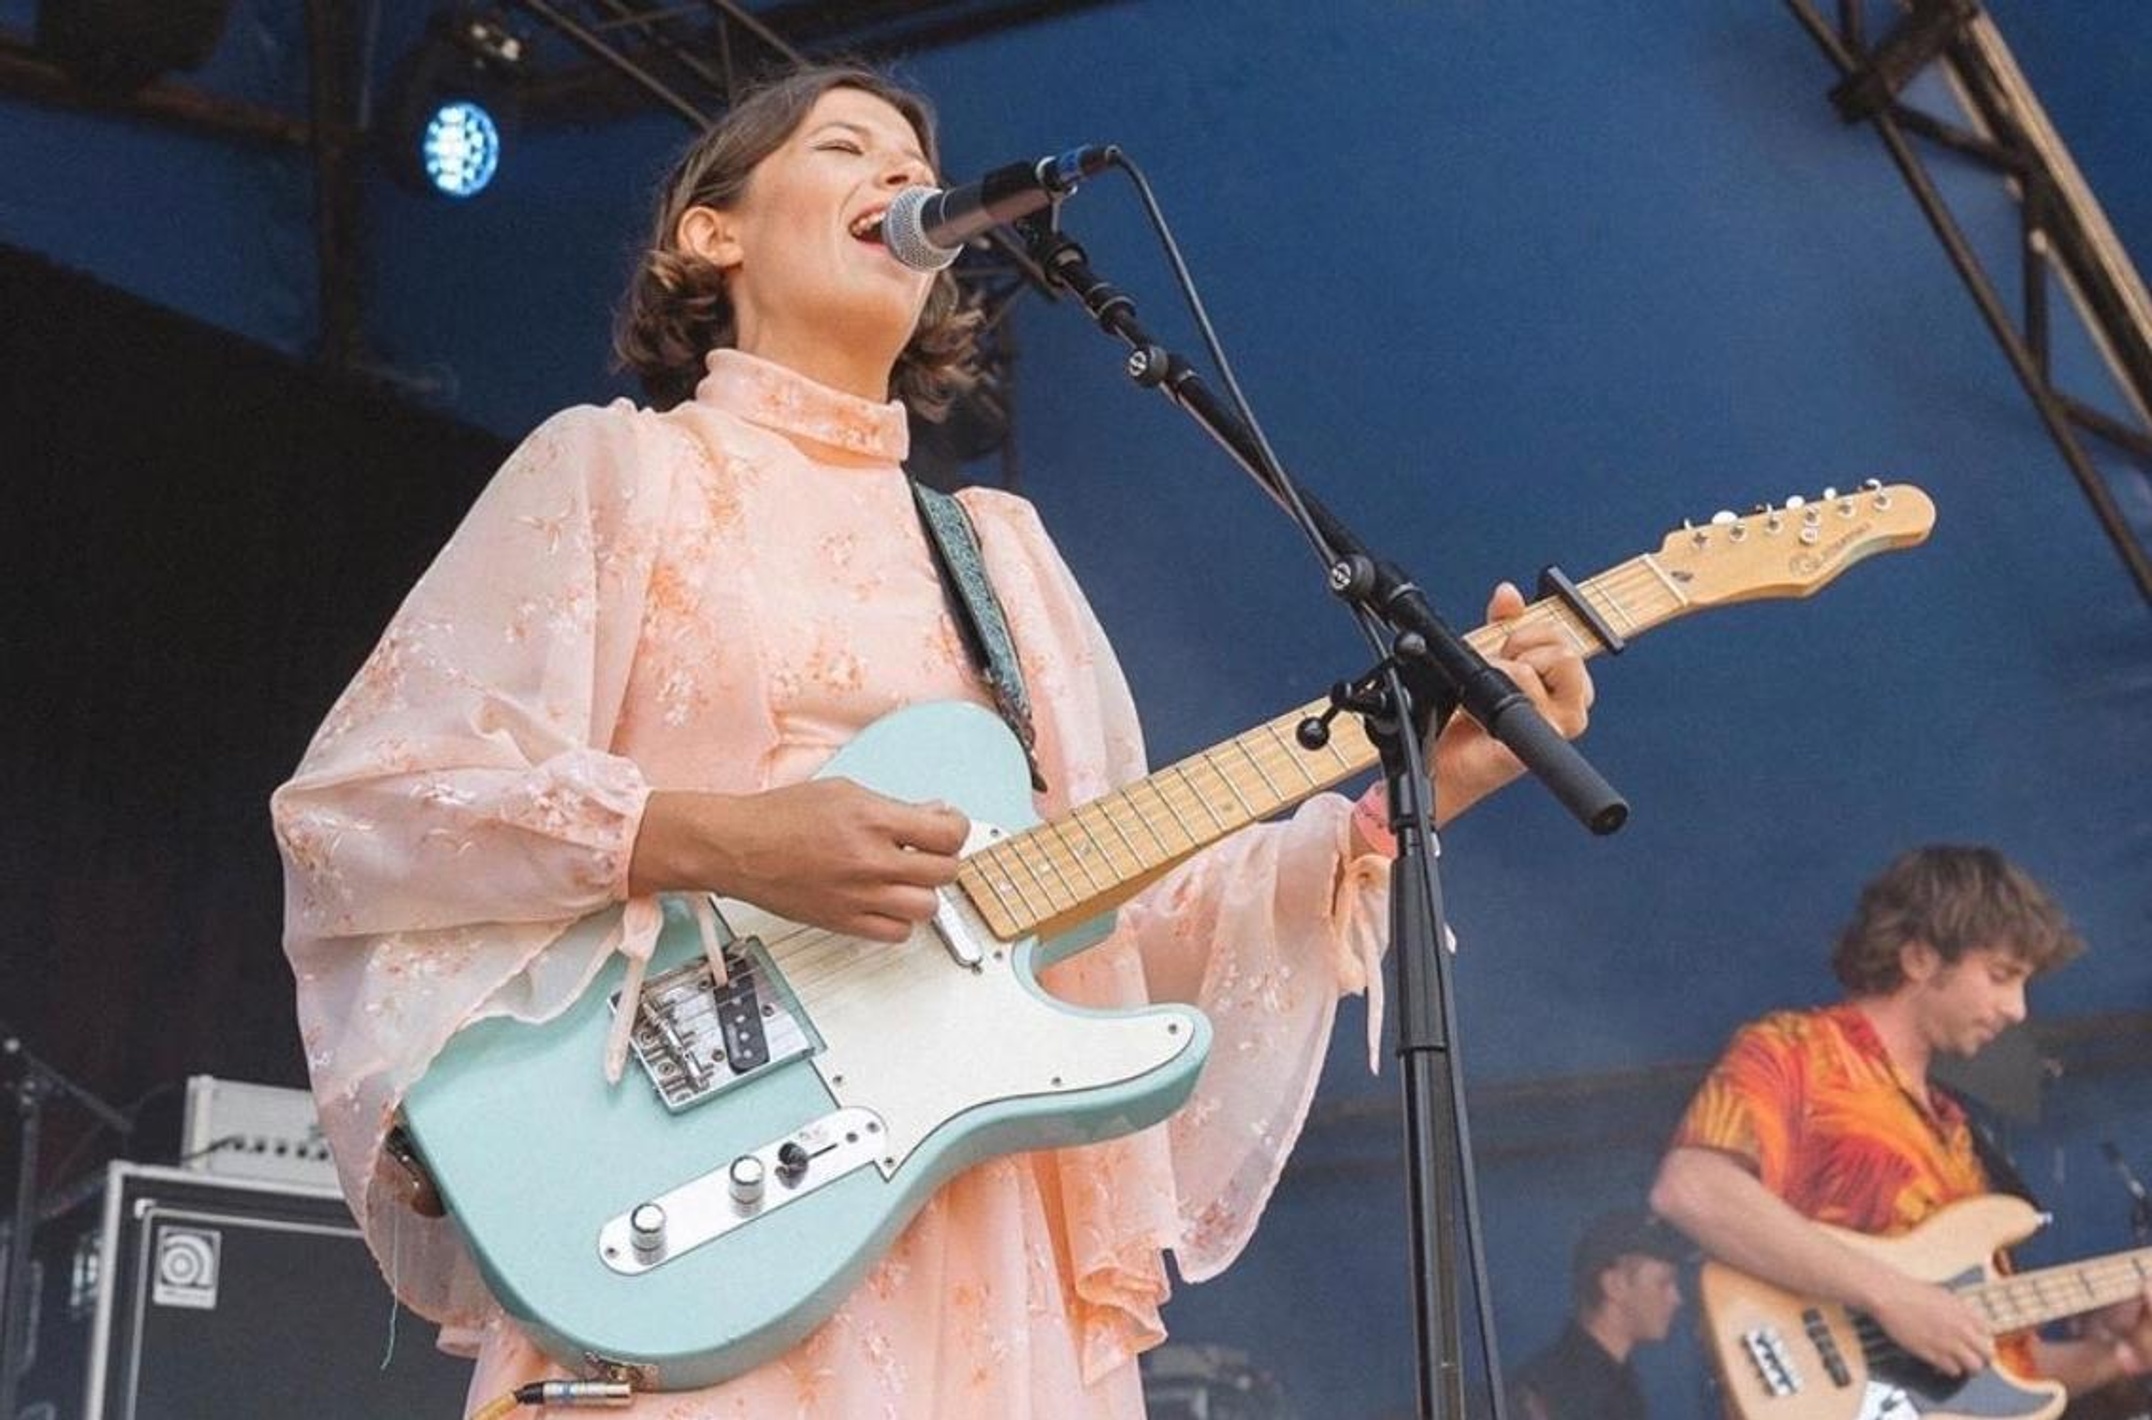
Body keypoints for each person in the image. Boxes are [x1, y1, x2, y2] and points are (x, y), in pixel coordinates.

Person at [270, 63, 1595, 1419]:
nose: (903, 179)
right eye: (848, 148)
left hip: (971, 1237)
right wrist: (722, 839)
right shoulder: (616, 471)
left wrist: (1399, 806)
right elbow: (375, 807)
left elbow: (1116, 927)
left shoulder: (1002, 556)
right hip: (693, 1193)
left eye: (916, 164)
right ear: (708, 233)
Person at [1650, 844, 2152, 1403]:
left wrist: (2124, 1353)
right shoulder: (1801, 1053)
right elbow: (1692, 1189)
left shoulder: (1960, 1142)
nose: (2018, 1009)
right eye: (2001, 976)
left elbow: (2007, 1375)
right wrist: (1891, 1297)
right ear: (1919, 959)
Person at [1508, 1207, 1687, 1420]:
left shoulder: (1611, 1383)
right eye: (1663, 1283)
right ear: (1614, 1285)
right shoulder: (1558, 1396)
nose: (1677, 1298)